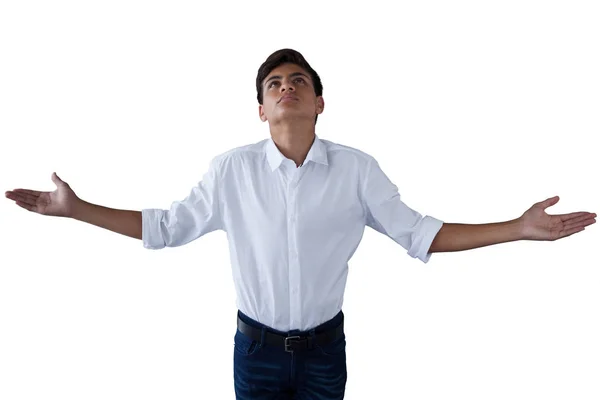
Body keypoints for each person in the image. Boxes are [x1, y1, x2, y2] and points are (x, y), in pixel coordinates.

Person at [5, 48, 596, 399]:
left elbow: (423, 234)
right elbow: (166, 227)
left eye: (300, 82)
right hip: (254, 351)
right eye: (274, 84)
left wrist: (516, 228)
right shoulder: (230, 171)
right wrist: (77, 210)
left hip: (323, 353)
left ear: (318, 102)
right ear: (261, 109)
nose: (287, 87)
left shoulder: (357, 170)